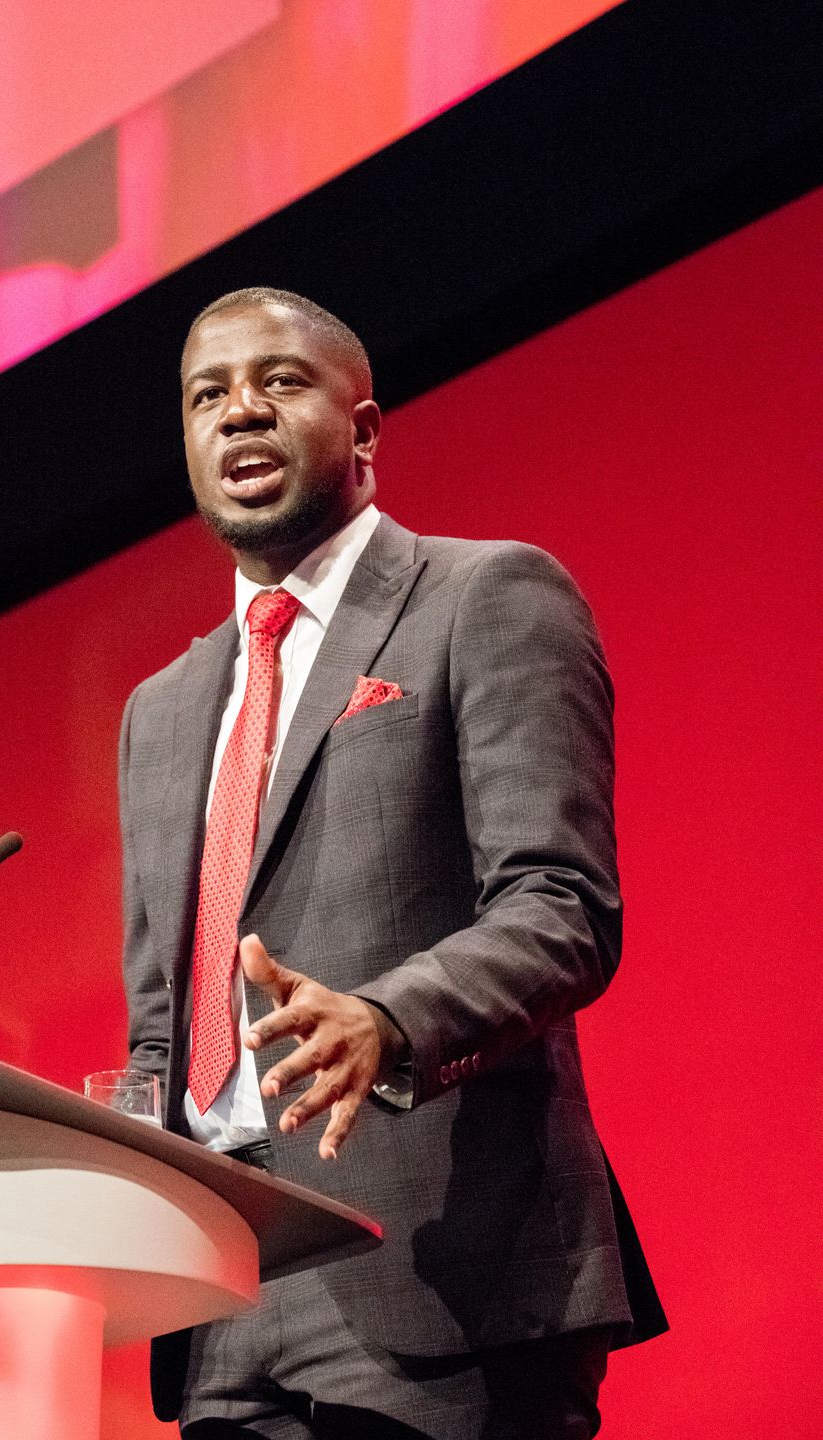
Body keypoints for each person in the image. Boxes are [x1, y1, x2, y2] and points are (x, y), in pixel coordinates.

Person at [118, 288, 666, 1439]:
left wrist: (386, 1018)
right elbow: (162, 1022)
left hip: (441, 1268)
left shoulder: (485, 597)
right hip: (224, 1291)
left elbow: (562, 906)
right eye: (207, 395)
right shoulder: (159, 712)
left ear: (363, 430)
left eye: (279, 382)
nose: (240, 414)